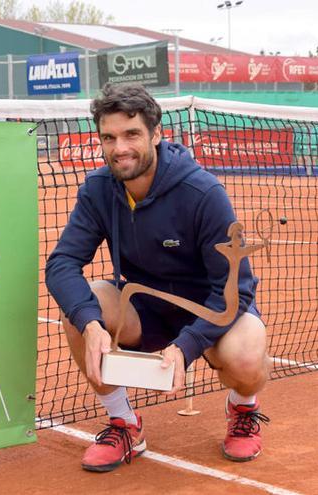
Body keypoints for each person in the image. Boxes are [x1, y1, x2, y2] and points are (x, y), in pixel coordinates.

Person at [45, 83, 270, 473]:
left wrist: (186, 346)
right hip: (145, 310)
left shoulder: (202, 192)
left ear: (156, 134)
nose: (120, 148)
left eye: (131, 134)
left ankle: (243, 408)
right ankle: (125, 424)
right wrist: (91, 325)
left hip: (210, 311)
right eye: (109, 137)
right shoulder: (98, 189)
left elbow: (237, 288)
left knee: (246, 357)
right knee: (82, 308)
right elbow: (62, 263)